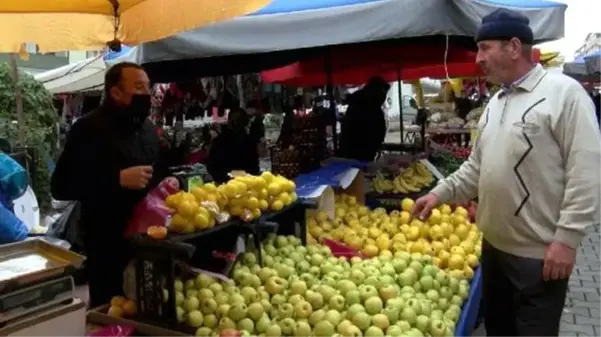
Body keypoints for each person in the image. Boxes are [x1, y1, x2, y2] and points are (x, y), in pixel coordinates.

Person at [412, 9, 601, 337]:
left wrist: (567, 239)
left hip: (539, 257)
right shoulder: (496, 103)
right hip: (494, 251)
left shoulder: (565, 95)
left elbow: (586, 170)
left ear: (514, 47)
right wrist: (438, 193)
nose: (478, 59)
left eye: (484, 48)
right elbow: (476, 167)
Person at [51, 62, 168, 307]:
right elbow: (61, 185)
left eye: (148, 86)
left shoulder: (147, 128)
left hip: (148, 240)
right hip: (106, 243)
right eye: (138, 86)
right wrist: (116, 179)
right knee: (111, 310)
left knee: (148, 308)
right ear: (115, 92)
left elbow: (156, 171)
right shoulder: (88, 128)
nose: (146, 93)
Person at [339, 76, 390, 161]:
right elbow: (376, 128)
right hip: (363, 148)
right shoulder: (371, 105)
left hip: (350, 148)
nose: (384, 95)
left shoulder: (357, 100)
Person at [207, 108, 257, 183]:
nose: (236, 123)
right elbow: (213, 166)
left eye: (239, 120)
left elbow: (254, 165)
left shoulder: (249, 140)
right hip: (228, 181)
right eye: (236, 120)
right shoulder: (220, 141)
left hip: (244, 181)